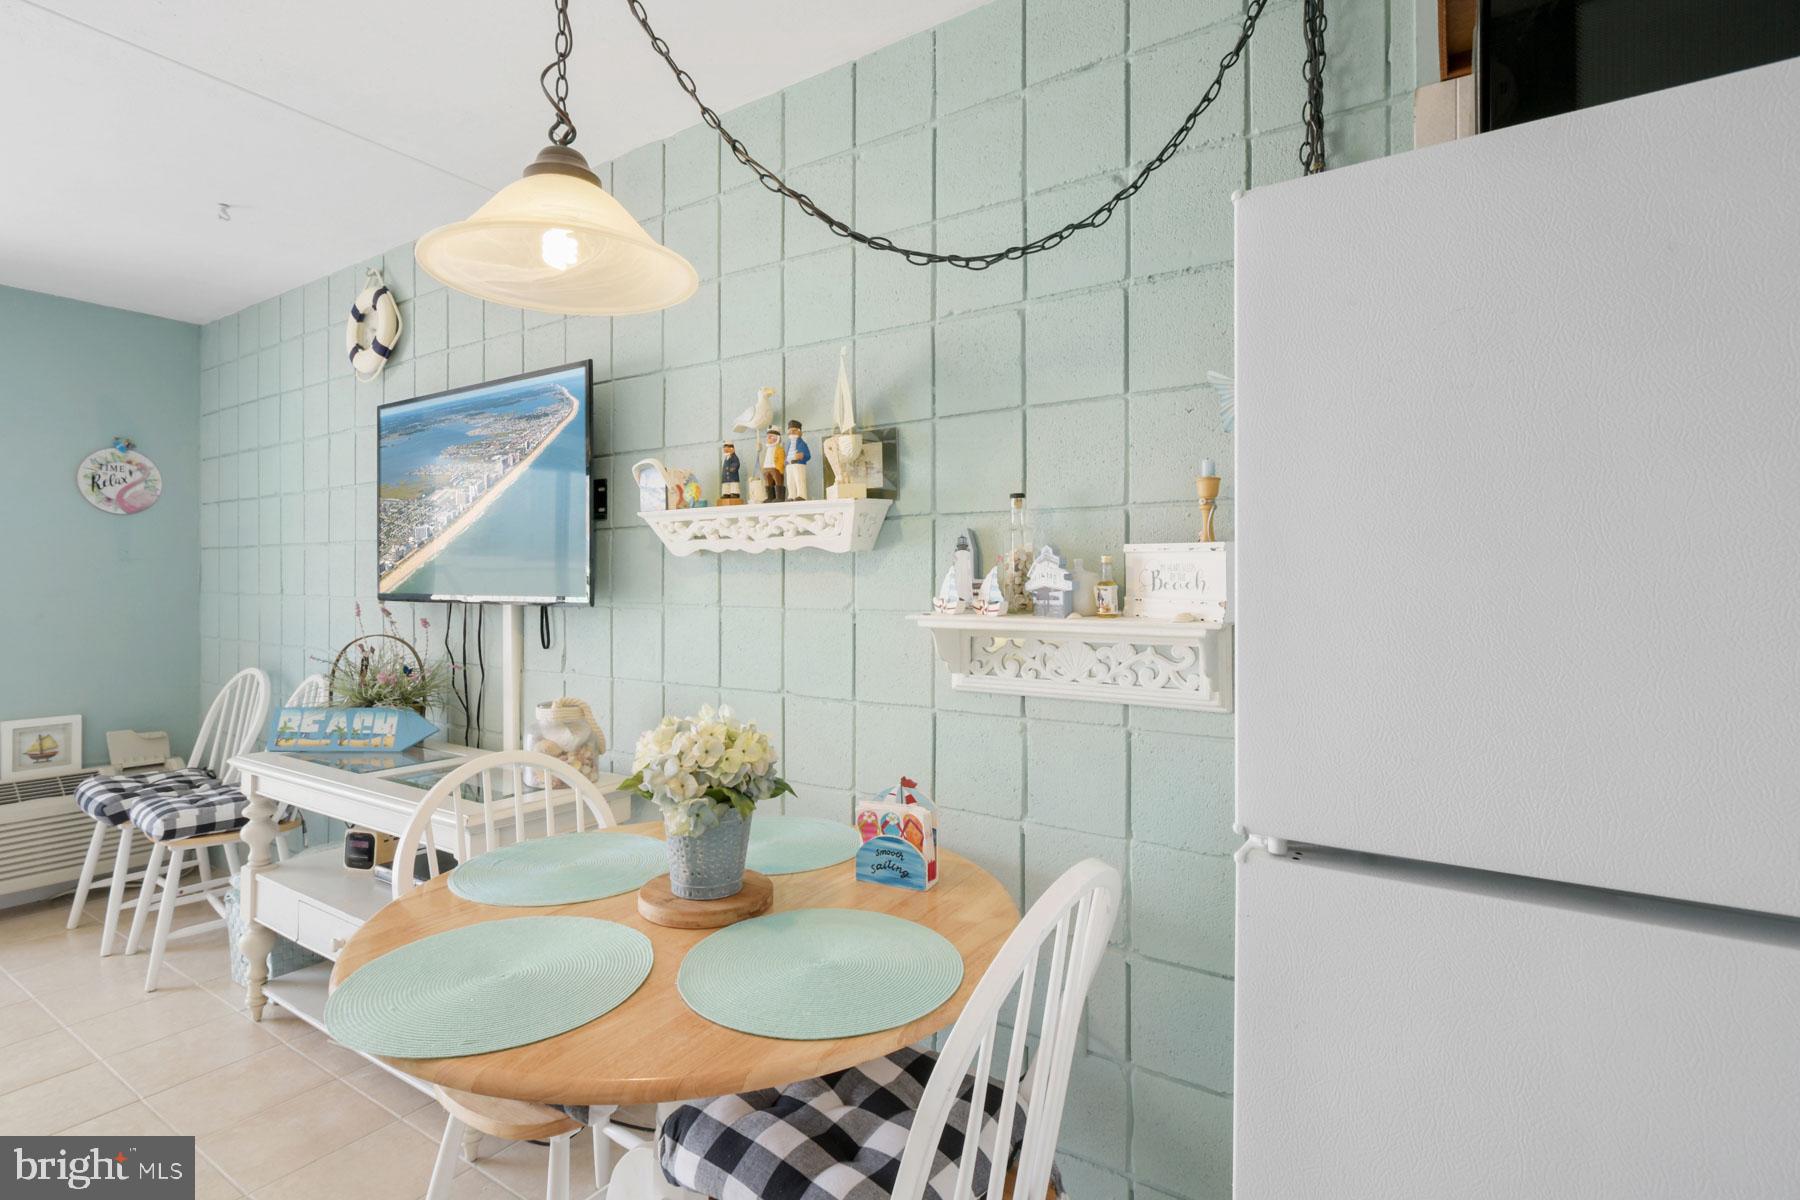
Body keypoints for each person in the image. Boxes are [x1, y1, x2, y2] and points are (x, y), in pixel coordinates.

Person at [784, 419, 812, 501]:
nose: (792, 433)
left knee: (799, 480)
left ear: (799, 432)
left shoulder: (802, 444)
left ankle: (801, 495)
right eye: (790, 431)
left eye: (794, 431)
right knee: (790, 481)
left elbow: (808, 455)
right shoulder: (788, 444)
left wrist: (802, 455)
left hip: (798, 464)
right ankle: (791, 495)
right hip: (789, 465)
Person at [760, 427, 785, 501]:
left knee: (778, 481)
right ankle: (770, 497)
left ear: (777, 438)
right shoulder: (767, 449)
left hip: (775, 468)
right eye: (768, 437)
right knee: (768, 482)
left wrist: (779, 468)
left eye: (771, 437)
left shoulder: (779, 448)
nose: (769, 438)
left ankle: (779, 497)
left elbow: (781, 459)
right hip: (767, 468)